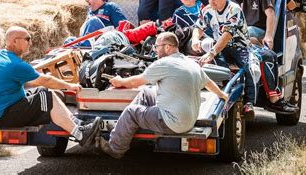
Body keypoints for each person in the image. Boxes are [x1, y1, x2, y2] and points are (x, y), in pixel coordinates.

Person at [97, 32, 228, 159]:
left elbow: (135, 82)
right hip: (189, 119)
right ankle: (122, 130)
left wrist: (120, 81)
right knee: (146, 92)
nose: (155, 50)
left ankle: (116, 148)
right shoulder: (191, 63)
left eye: (157, 47)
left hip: (171, 122)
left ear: (167, 47)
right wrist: (222, 95)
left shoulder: (164, 63)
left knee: (131, 112)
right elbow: (209, 83)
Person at [0, 26, 101, 147]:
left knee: (43, 91)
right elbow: (46, 80)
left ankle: (78, 124)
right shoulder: (14, 64)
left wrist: (44, 80)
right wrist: (69, 86)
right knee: (47, 97)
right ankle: (81, 135)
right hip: (3, 115)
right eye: (27, 39)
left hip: (1, 110)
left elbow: (32, 82)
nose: (31, 43)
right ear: (15, 41)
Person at [191, 0, 257, 119]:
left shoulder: (234, 10)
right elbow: (198, 27)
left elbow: (227, 36)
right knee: (218, 65)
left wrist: (212, 52)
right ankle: (225, 90)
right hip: (220, 46)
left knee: (247, 67)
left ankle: (249, 103)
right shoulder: (207, 10)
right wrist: (195, 40)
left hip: (239, 46)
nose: (211, 2)